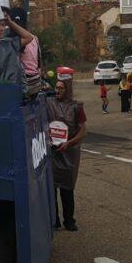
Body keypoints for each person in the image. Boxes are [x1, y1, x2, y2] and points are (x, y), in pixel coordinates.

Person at [47, 69, 87, 231]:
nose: (57, 91)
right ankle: (54, 220)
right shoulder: (48, 103)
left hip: (69, 152)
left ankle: (69, 220)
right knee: (51, 188)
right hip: (52, 152)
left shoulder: (76, 107)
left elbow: (83, 131)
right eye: (56, 88)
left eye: (61, 88)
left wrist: (69, 143)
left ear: (68, 89)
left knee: (67, 188)